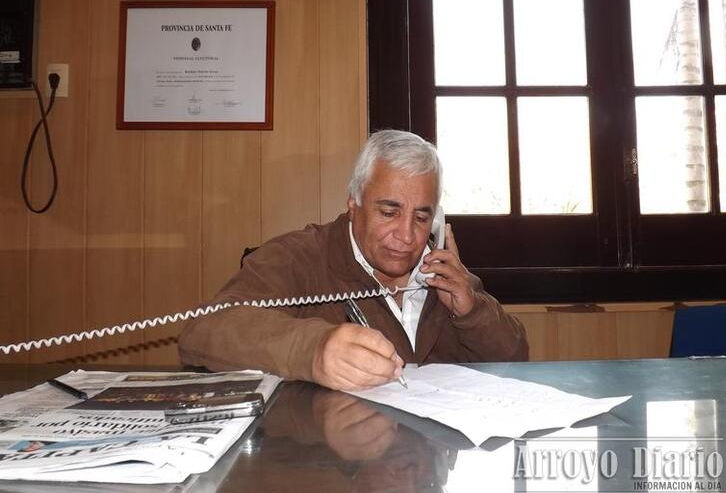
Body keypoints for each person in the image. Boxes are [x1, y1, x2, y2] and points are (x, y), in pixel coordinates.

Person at [178, 130, 528, 390]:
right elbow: (204, 330)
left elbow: (517, 360)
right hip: (339, 468)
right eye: (389, 212)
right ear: (353, 203)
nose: (406, 237)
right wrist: (313, 350)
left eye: (421, 218)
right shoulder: (299, 256)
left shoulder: (443, 270)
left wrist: (472, 312)